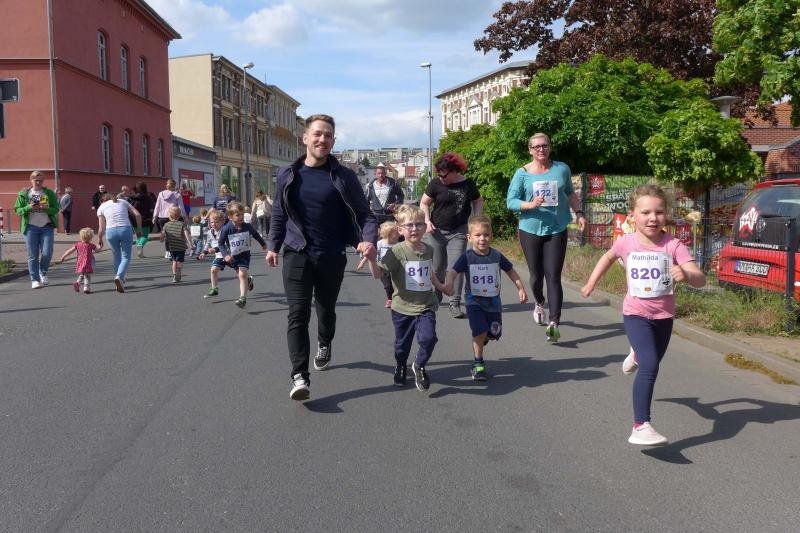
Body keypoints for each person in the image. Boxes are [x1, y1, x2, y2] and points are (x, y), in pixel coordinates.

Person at [581, 184, 705, 446]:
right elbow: (607, 257)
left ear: (666, 214)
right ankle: (641, 425)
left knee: (650, 359)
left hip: (664, 317)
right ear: (632, 216)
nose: (653, 218)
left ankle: (636, 354)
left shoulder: (673, 245)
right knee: (650, 365)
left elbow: (700, 278)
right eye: (645, 212)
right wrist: (591, 283)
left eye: (659, 212)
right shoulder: (626, 242)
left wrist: (686, 274)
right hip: (635, 314)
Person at [266, 114, 377, 401]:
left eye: (328, 135)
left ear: (333, 141)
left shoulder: (344, 176)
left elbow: (365, 215)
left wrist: (368, 240)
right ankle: (299, 375)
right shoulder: (287, 173)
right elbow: (278, 211)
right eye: (317, 134)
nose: (322, 139)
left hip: (331, 254)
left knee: (326, 310)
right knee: (297, 313)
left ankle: (324, 341)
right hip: (296, 252)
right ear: (304, 138)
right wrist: (273, 245)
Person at [506, 133, 587, 343]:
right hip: (530, 229)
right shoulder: (522, 174)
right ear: (530, 150)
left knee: (553, 276)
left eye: (545, 145)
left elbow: (570, 192)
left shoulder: (561, 169)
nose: (541, 149)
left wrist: (579, 213)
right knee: (536, 275)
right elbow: (511, 201)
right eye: (537, 147)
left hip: (557, 228)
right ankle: (539, 301)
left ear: (550, 147)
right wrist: (530, 205)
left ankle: (554, 323)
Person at [366, 205, 446, 390]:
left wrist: (441, 286)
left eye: (419, 224)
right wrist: (371, 259)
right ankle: (401, 365)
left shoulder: (428, 249)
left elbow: (429, 271)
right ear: (400, 229)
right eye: (409, 225)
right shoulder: (396, 252)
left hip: (426, 305)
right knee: (402, 345)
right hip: (402, 307)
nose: (414, 228)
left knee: (428, 338)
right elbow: (378, 274)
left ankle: (419, 365)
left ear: (425, 227)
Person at [444, 215, 528, 381]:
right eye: (478, 235)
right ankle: (478, 363)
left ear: (492, 236)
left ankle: (485, 337)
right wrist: (450, 282)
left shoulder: (496, 256)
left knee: (494, 333)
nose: (482, 238)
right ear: (469, 237)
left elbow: (510, 271)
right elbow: (453, 271)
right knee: (479, 331)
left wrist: (521, 288)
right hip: (474, 302)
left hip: (493, 303)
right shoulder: (467, 257)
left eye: (486, 235)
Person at [420, 151, 483, 319]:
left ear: (455, 171)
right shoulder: (435, 184)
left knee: (456, 268)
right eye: (439, 174)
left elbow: (477, 201)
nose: (442, 178)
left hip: (459, 231)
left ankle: (454, 302)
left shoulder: (467, 184)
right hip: (436, 231)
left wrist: (476, 220)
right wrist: (427, 221)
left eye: (444, 175)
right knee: (438, 267)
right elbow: (424, 203)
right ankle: (437, 293)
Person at [14, 171, 59, 289]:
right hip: (30, 227)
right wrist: (29, 207)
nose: (38, 182)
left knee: (47, 252)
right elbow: (17, 210)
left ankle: (43, 272)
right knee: (33, 255)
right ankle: (34, 280)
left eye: (40, 180)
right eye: (36, 180)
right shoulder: (24, 194)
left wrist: (46, 208)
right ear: (31, 180)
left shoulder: (48, 193)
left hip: (46, 227)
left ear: (43, 181)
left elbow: (56, 209)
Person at [218, 202, 266, 308]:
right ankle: (249, 280)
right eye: (238, 215)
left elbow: (256, 234)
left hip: (244, 254)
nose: (241, 217)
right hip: (233, 256)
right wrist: (225, 255)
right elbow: (220, 243)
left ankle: (242, 298)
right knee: (241, 276)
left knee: (242, 275)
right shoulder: (226, 229)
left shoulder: (247, 226)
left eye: (242, 214)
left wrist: (263, 243)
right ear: (230, 217)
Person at [97, 192, 142, 293]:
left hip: (110, 231)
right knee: (126, 257)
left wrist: (99, 239)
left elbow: (101, 228)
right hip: (125, 229)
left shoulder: (101, 207)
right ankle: (119, 277)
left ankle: (120, 278)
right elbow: (138, 215)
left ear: (103, 200)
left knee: (116, 256)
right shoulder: (123, 201)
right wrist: (139, 229)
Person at [357, 220, 399, 308]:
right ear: (389, 234)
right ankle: (390, 299)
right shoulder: (379, 244)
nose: (398, 234)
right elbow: (370, 254)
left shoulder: (398, 245)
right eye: (396, 233)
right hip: (382, 269)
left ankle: (397, 298)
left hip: (394, 269)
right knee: (388, 286)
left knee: (396, 285)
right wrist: (362, 262)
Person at [198, 210, 229, 298]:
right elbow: (207, 243)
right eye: (211, 222)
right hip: (219, 256)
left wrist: (215, 249)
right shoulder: (209, 232)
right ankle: (214, 289)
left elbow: (227, 245)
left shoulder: (226, 230)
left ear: (222, 222)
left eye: (216, 222)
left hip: (229, 255)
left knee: (240, 273)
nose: (213, 224)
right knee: (213, 270)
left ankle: (247, 279)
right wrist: (204, 252)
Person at [58, 227, 99, 294]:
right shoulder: (91, 245)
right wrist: (99, 246)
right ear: (91, 237)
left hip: (80, 262)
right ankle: (86, 287)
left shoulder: (77, 244)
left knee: (83, 274)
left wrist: (63, 256)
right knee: (87, 275)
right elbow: (97, 251)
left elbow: (70, 251)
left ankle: (77, 282)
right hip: (88, 262)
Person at [160, 206, 194, 283]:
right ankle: (178, 270)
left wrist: (161, 239)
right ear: (179, 215)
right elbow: (187, 235)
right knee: (180, 261)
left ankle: (174, 275)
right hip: (181, 246)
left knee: (174, 261)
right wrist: (190, 244)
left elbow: (162, 234)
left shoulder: (166, 225)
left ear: (169, 215)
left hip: (171, 246)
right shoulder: (182, 224)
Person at [153, 178, 184, 259]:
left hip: (162, 217)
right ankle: (172, 251)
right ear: (174, 186)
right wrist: (184, 217)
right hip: (173, 216)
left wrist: (154, 216)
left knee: (167, 235)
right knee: (173, 235)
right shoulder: (177, 194)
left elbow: (157, 206)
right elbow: (180, 207)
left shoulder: (161, 194)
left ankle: (167, 252)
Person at [128, 181, 155, 258]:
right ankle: (140, 245)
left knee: (138, 236)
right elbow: (151, 209)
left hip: (134, 219)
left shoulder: (131, 198)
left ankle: (140, 253)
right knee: (144, 236)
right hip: (145, 219)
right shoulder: (148, 197)